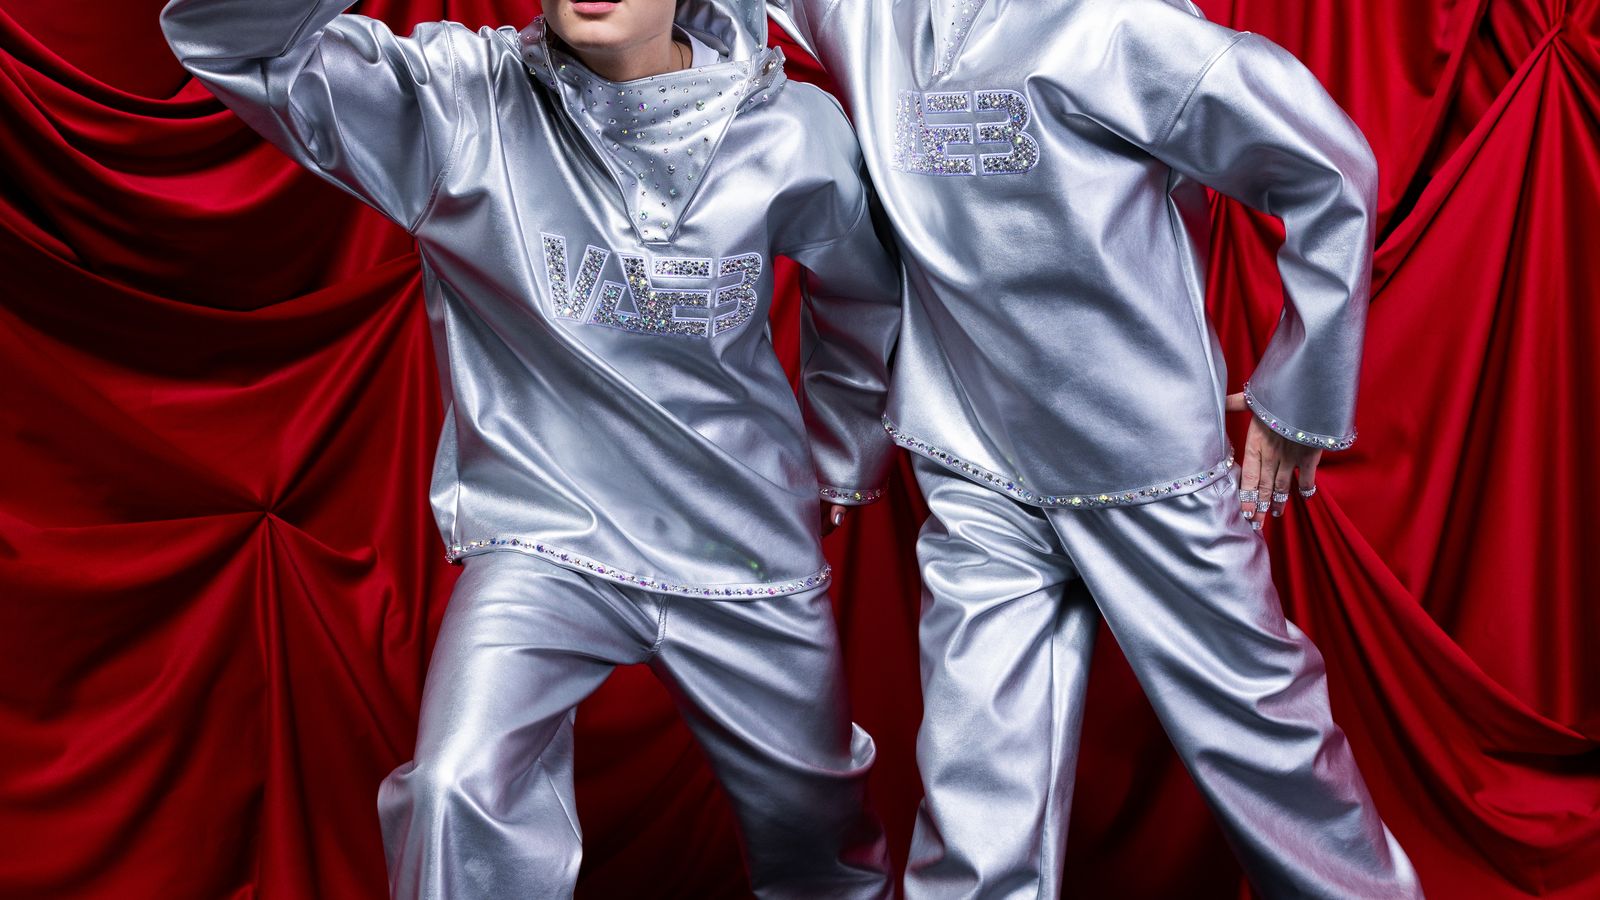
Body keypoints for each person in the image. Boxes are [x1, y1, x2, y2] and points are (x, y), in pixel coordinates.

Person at [160, 0, 901, 897]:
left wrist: (844, 456)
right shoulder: (458, 105)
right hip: (548, 542)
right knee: (453, 792)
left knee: (817, 839)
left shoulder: (790, 130)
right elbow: (229, 40)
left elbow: (864, 290)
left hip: (738, 544)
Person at [766, 0, 1424, 897]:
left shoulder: (1118, 23)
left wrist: (1298, 397)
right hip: (975, 462)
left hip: (1143, 462)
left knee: (1269, 752)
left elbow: (1329, 164)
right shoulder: (868, 13)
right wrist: (842, 448)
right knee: (975, 784)